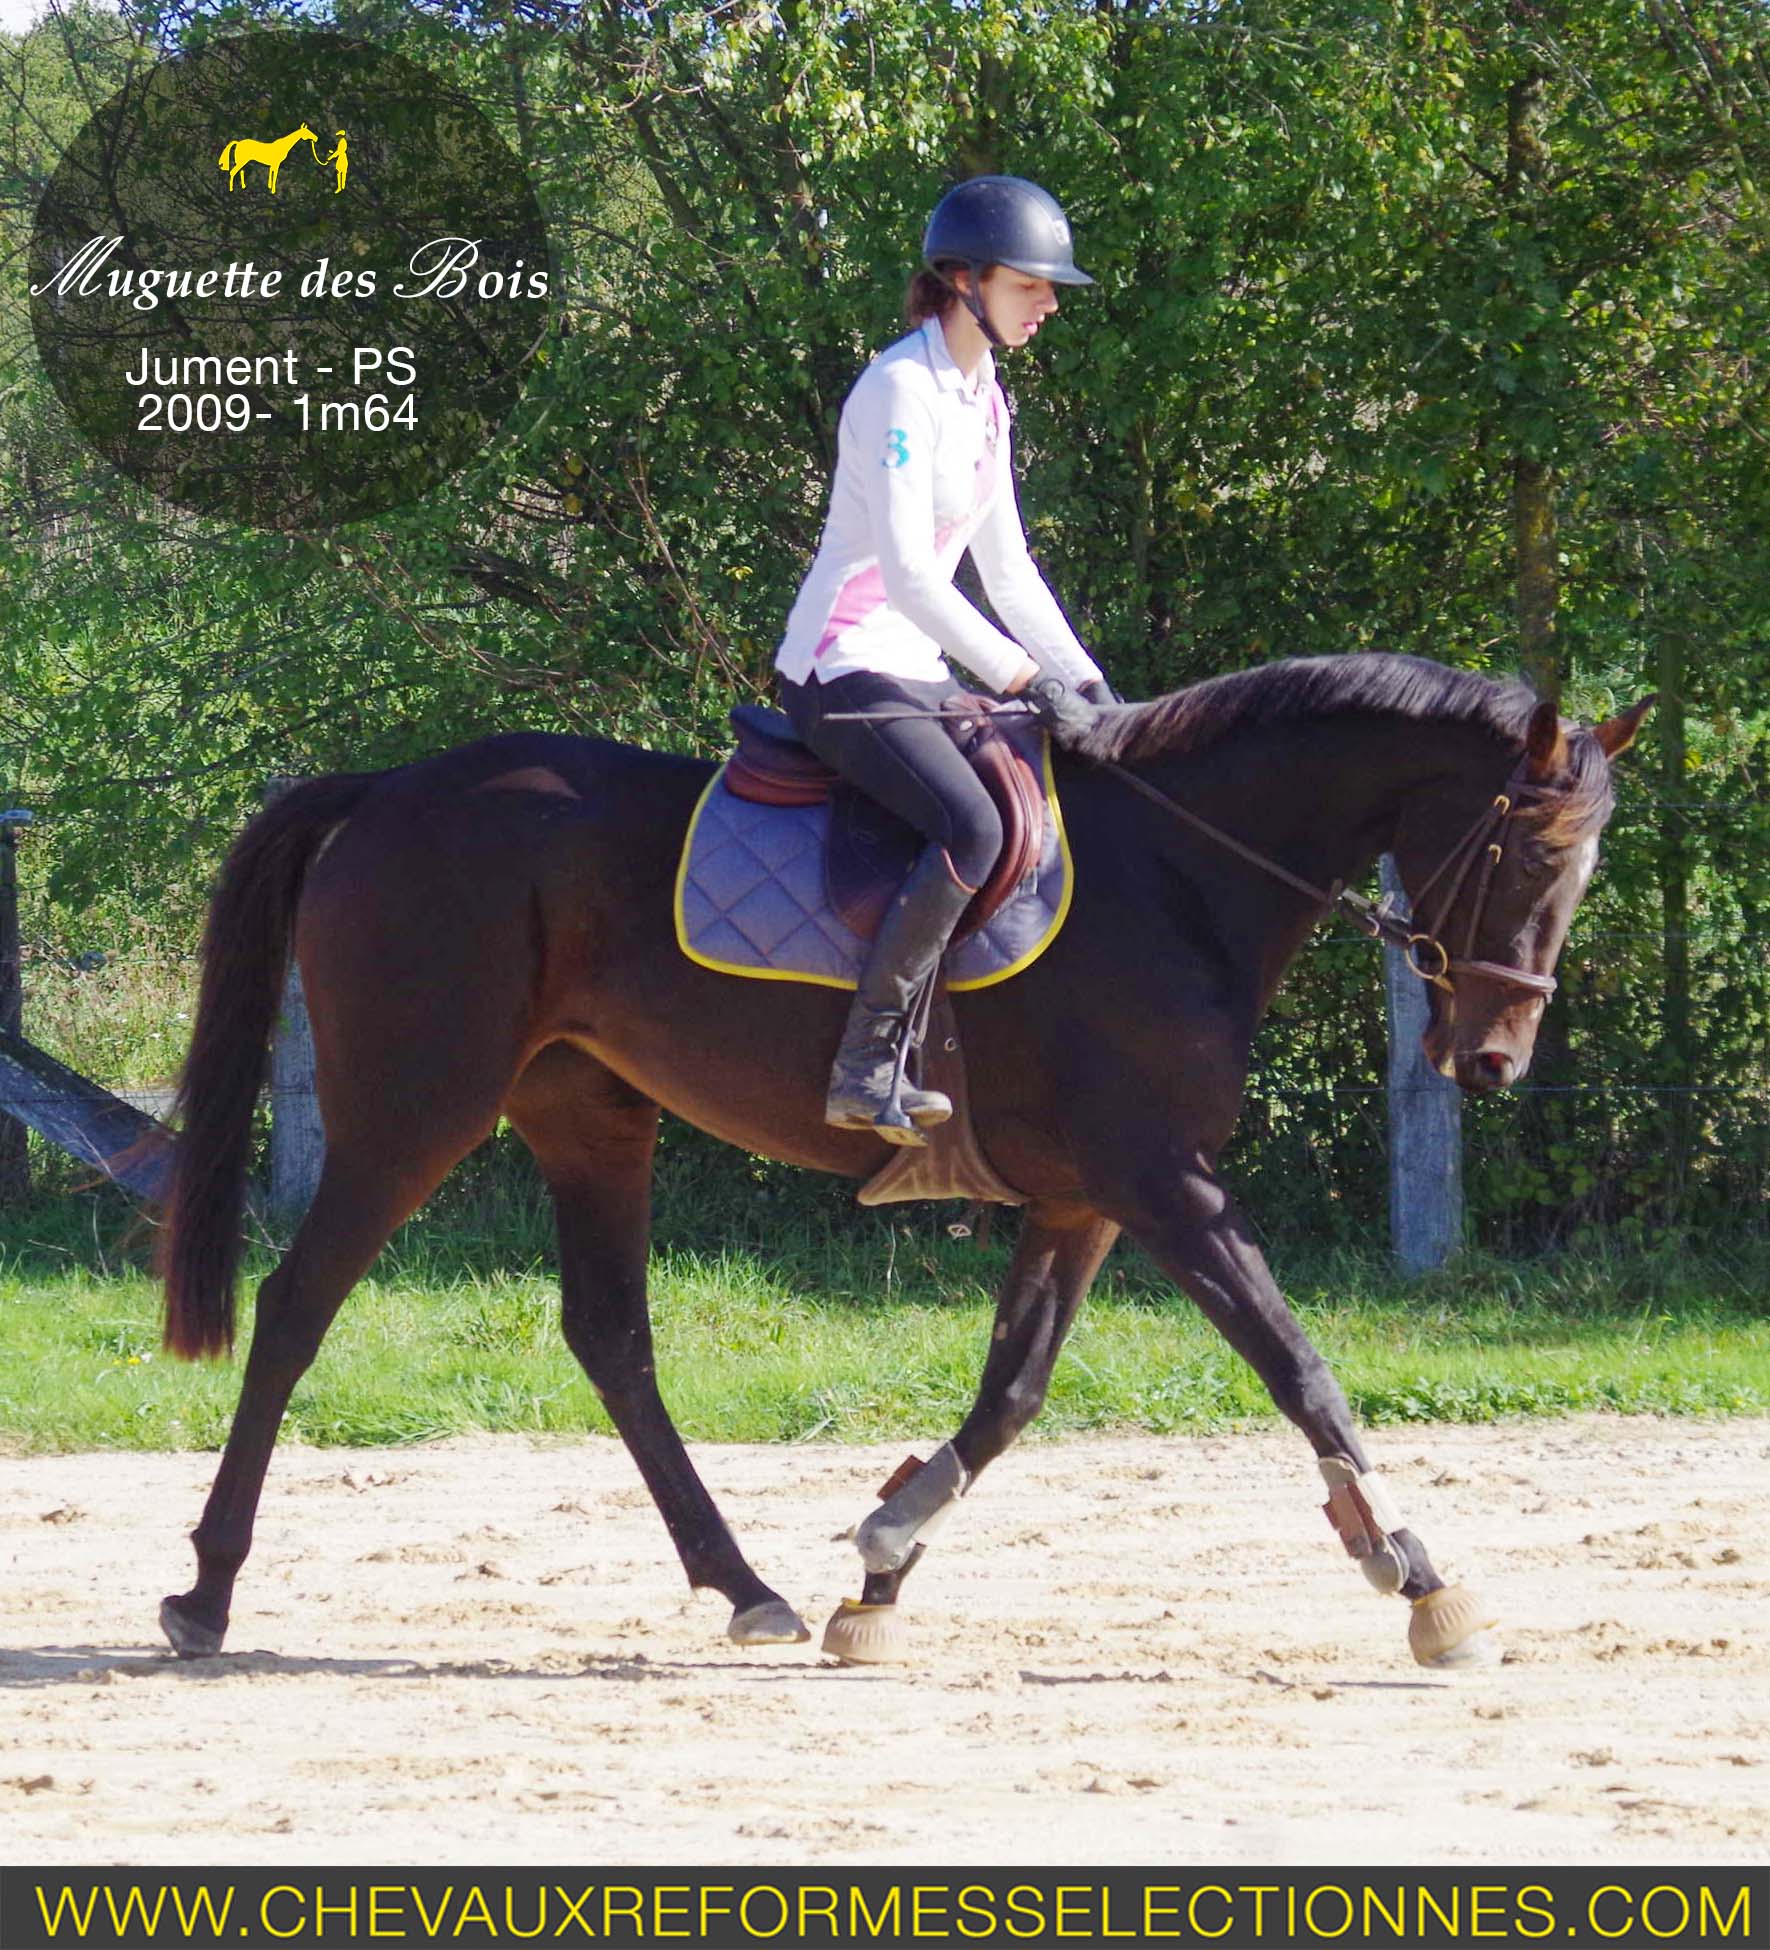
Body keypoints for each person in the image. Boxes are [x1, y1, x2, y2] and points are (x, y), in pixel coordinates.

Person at [774, 174, 1118, 1146]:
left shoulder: (982, 398)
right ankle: (866, 1064)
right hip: (840, 668)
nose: (1049, 302)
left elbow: (1008, 574)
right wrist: (1024, 682)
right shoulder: (899, 389)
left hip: (921, 667)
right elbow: (916, 579)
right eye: (1031, 284)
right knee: (971, 825)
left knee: (1031, 795)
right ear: (963, 281)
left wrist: (1092, 688)